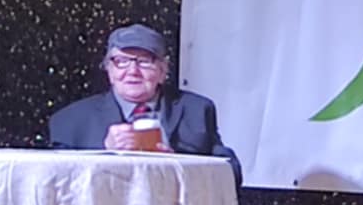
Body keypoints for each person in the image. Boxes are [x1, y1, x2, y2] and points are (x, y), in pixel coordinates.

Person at [49, 23, 243, 191]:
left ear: (163, 70)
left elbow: (231, 173)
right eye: (122, 61)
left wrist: (176, 164)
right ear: (109, 69)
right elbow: (57, 186)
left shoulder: (196, 110)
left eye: (144, 62)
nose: (133, 71)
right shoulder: (70, 121)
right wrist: (104, 152)